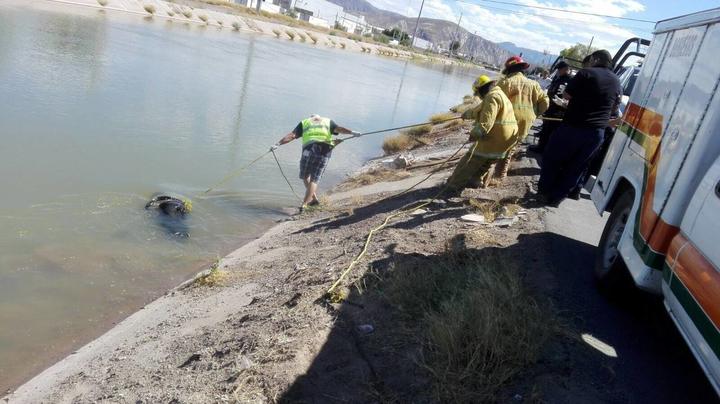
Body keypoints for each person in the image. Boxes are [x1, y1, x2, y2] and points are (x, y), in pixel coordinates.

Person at [538, 50, 622, 206]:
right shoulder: (616, 81)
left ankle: (544, 192)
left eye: (590, 60)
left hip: (574, 126)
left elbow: (567, 96)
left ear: (596, 59)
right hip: (596, 133)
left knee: (553, 158)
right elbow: (614, 107)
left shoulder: (586, 73)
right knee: (577, 167)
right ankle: (557, 198)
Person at [445, 75, 518, 193]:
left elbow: (485, 123)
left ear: (480, 89)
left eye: (478, 94)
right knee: (488, 161)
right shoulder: (498, 93)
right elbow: (480, 110)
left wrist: (474, 134)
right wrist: (466, 114)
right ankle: (476, 182)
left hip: (496, 138)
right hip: (507, 140)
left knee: (470, 160)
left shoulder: (491, 97)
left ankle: (453, 185)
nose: (478, 96)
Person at [272, 115, 356, 211]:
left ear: (311, 118)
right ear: (319, 117)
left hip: (310, 150)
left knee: (305, 176)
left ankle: (304, 204)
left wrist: (278, 144)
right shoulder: (328, 122)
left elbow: (292, 135)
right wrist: (352, 132)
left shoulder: (305, 122)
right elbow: (339, 129)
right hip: (326, 151)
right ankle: (313, 200)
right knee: (314, 180)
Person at [495, 56, 549, 182]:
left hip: (506, 122)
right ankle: (499, 177)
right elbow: (545, 102)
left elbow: (494, 102)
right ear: (522, 69)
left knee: (497, 151)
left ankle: (493, 179)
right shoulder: (534, 84)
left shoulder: (504, 83)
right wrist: (535, 114)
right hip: (525, 123)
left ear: (508, 69)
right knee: (509, 150)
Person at [529, 61, 571, 153]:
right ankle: (542, 146)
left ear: (566, 69)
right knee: (546, 129)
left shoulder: (569, 80)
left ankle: (542, 148)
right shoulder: (559, 78)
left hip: (558, 110)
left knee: (549, 131)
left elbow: (563, 95)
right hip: (551, 107)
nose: (558, 71)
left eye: (560, 69)